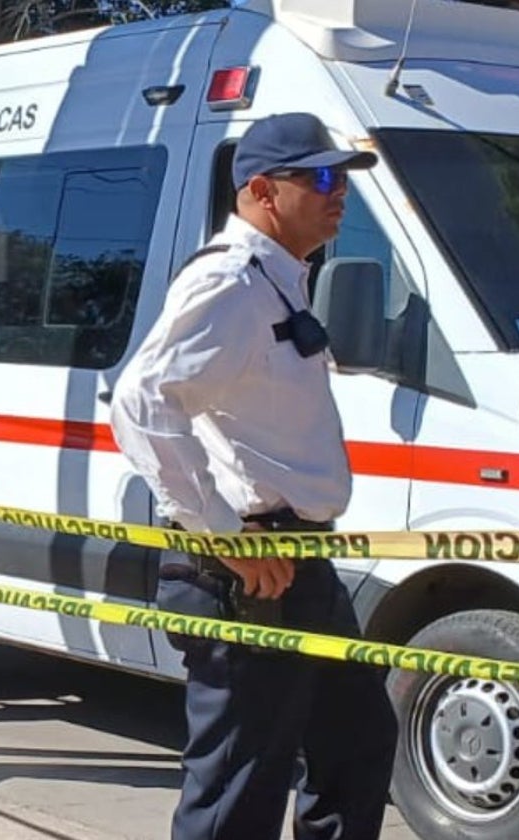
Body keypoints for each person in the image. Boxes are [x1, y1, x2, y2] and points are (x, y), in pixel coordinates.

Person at [110, 112, 397, 840]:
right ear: (264, 191)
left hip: (298, 560)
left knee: (358, 742)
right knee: (242, 783)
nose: (341, 194)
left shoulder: (278, 279)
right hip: (250, 569)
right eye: (324, 178)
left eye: (344, 179)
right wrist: (225, 535)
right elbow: (142, 404)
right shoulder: (231, 283)